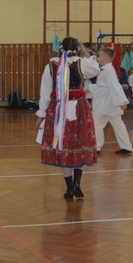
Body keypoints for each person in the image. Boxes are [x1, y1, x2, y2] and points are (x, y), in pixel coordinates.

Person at [36, 37, 100, 200]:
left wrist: (41, 114)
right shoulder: (82, 63)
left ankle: (70, 187)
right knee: (80, 143)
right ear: (76, 48)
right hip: (79, 108)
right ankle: (77, 183)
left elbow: (44, 92)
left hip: (58, 109)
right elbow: (96, 69)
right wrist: (84, 50)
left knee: (62, 145)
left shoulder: (51, 64)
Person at [91, 47, 133, 155]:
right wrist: (90, 89)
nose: (97, 58)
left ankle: (97, 147)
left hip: (105, 104)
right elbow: (104, 86)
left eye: (99, 56)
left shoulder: (108, 70)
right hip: (110, 104)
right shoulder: (107, 70)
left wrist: (122, 102)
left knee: (96, 124)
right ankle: (126, 147)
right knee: (118, 125)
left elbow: (115, 86)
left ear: (105, 57)